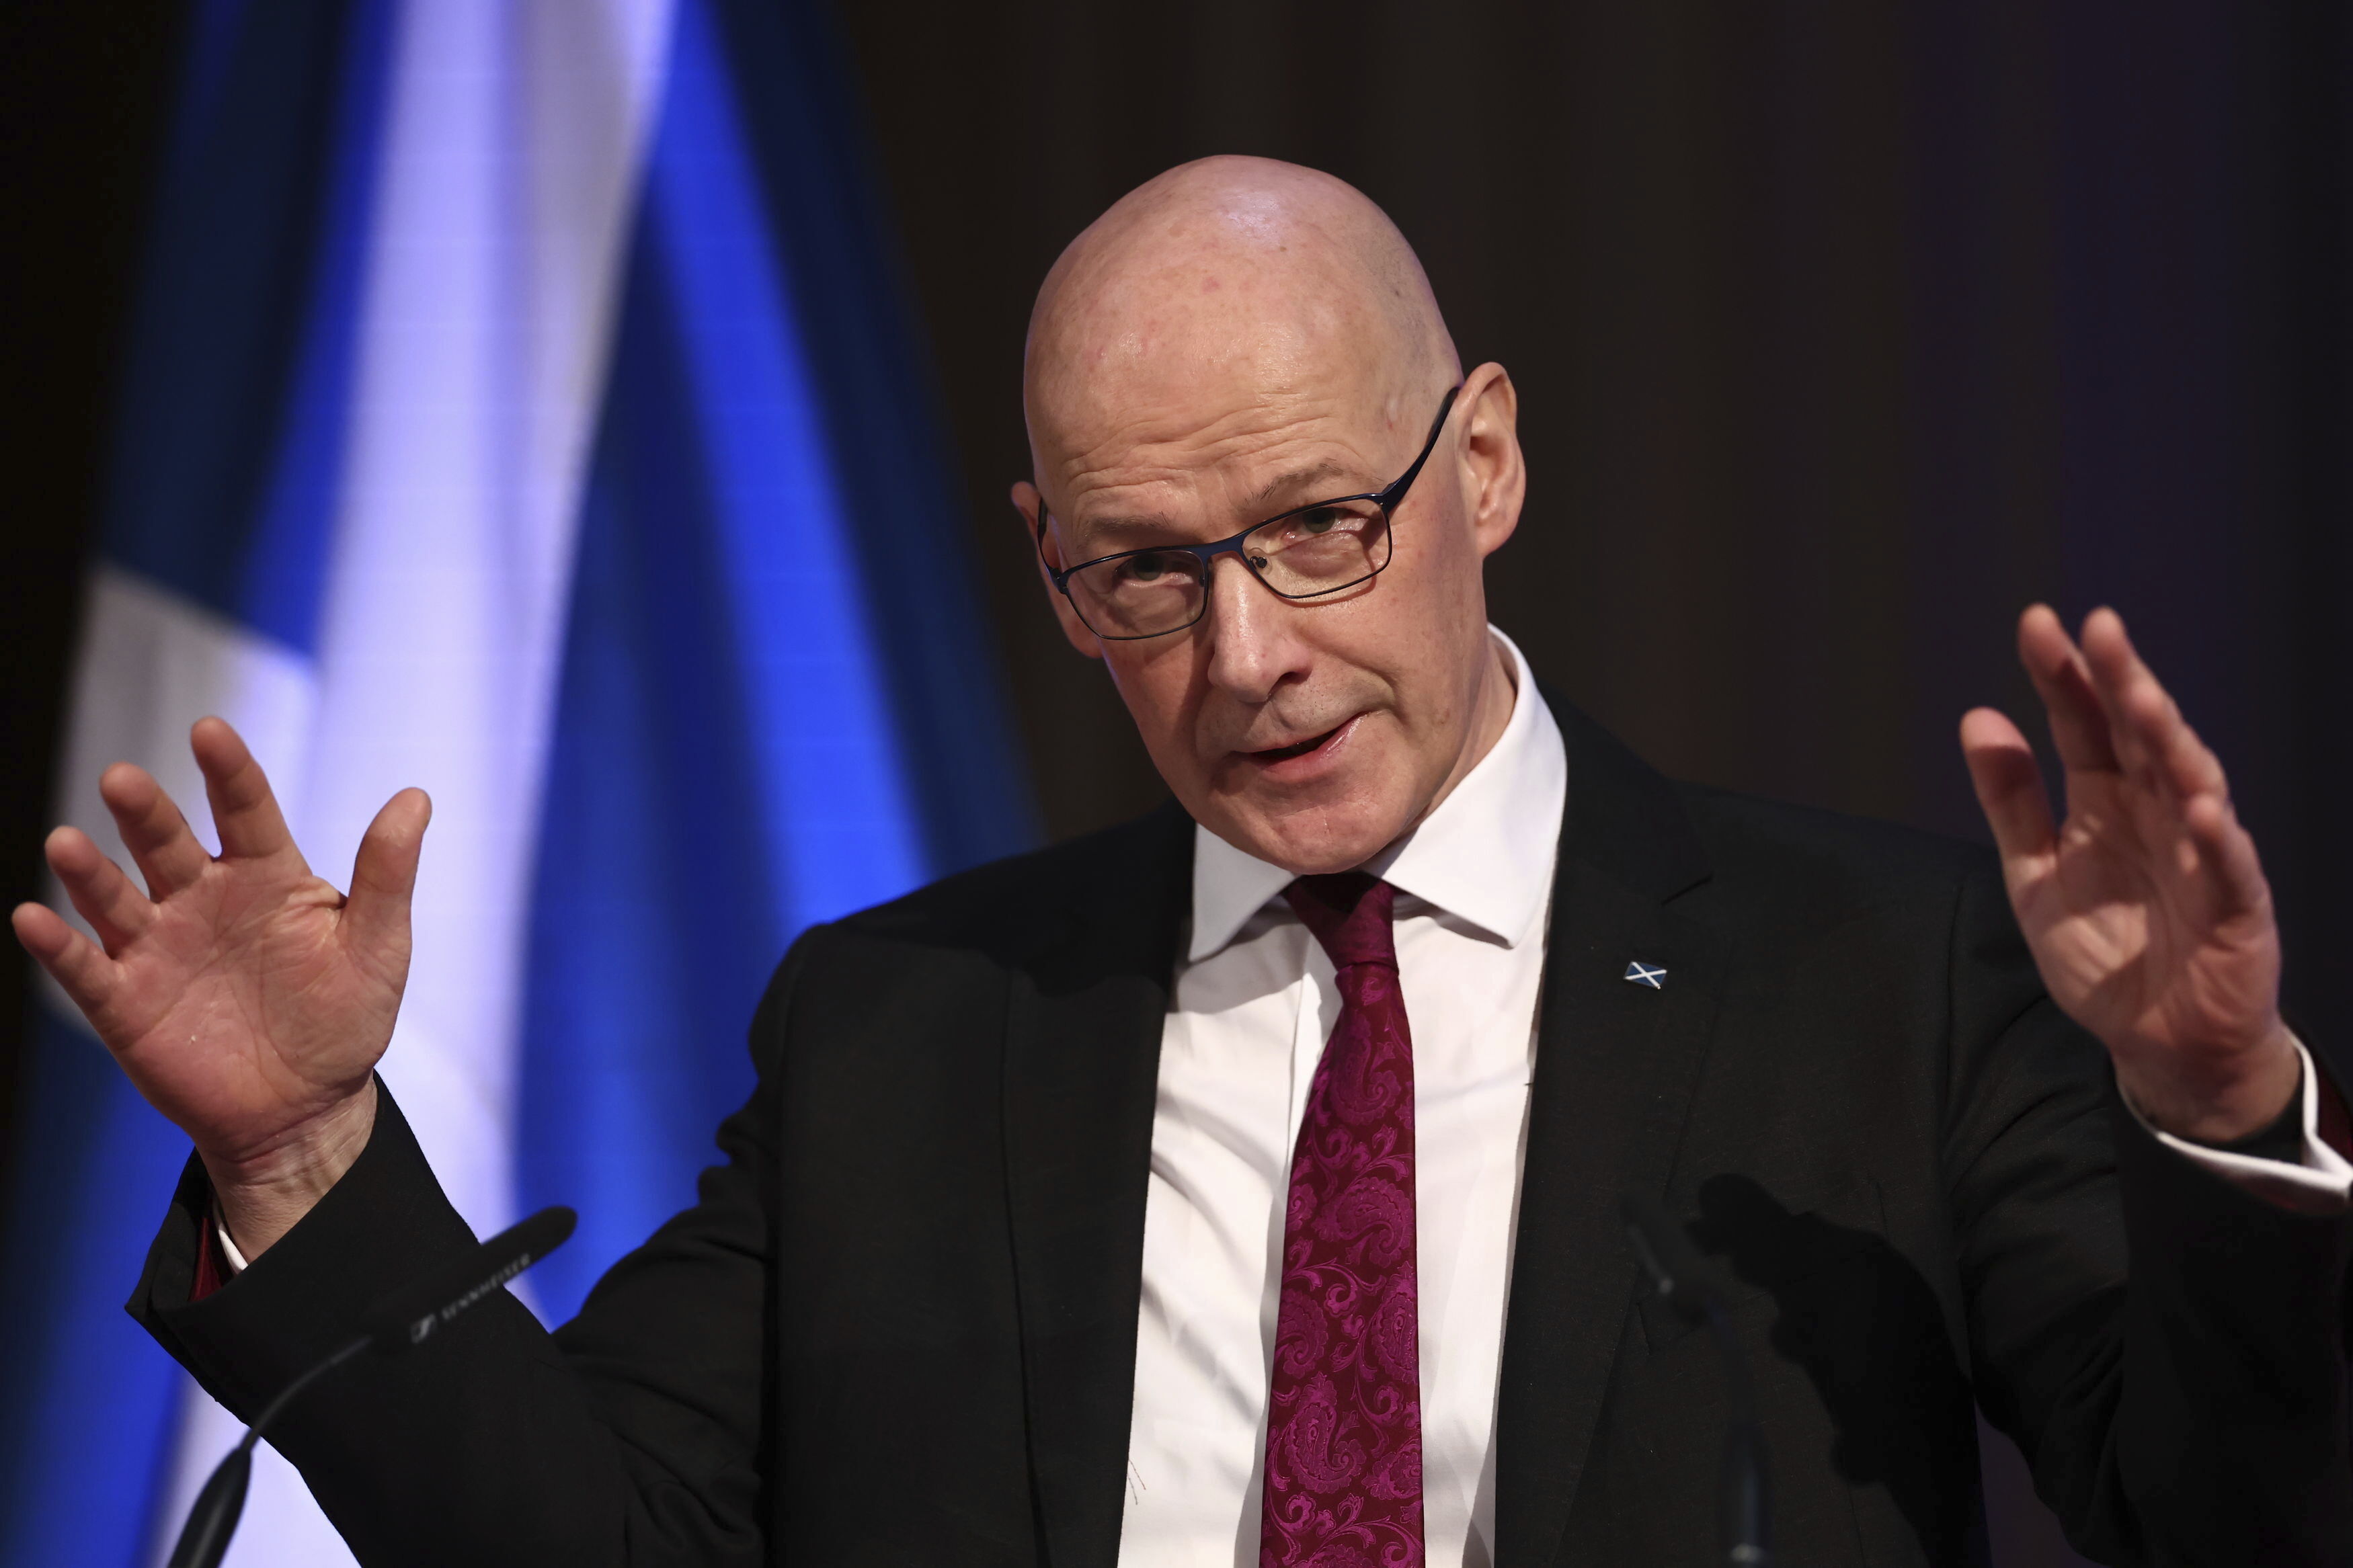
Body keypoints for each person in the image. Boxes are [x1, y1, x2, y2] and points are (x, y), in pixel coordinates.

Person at [15, 156, 2351, 1567]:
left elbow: (2230, 1521)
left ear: (1487, 463)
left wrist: (2220, 1118)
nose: (1249, 657)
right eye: (1147, 572)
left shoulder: (1877, 973)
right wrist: (310, 1150)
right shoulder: (904, 1028)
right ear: (1046, 573)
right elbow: (600, 1543)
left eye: (1321, 529)